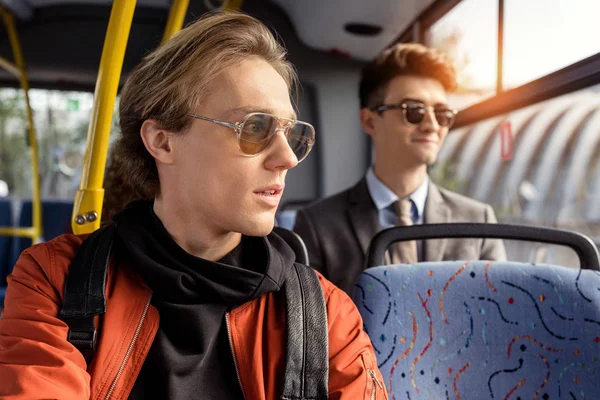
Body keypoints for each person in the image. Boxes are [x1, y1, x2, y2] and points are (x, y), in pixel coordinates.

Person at [0, 12, 387, 400]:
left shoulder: (323, 314)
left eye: (291, 133)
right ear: (163, 142)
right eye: (254, 127)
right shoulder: (56, 280)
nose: (287, 158)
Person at [294, 43, 507, 295]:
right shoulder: (318, 224)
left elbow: (498, 314)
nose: (432, 125)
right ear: (370, 121)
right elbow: (312, 327)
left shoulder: (477, 220)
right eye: (413, 111)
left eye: (441, 113)